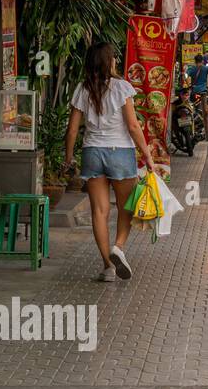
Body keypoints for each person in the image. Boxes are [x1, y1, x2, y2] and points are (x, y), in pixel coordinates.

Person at [64, 42, 157, 282]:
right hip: (120, 152)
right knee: (125, 206)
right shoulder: (122, 87)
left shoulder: (82, 89)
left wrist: (68, 157)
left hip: (92, 152)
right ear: (110, 61)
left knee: (99, 211)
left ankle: (107, 267)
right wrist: (146, 154)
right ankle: (118, 247)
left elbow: (72, 129)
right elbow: (133, 126)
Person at [186, 53, 208, 137]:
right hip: (203, 92)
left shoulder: (192, 68)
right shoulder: (206, 68)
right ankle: (207, 131)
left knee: (193, 108)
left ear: (195, 61)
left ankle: (195, 124)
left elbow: (185, 76)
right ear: (202, 61)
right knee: (205, 111)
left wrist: (189, 85)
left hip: (194, 92)